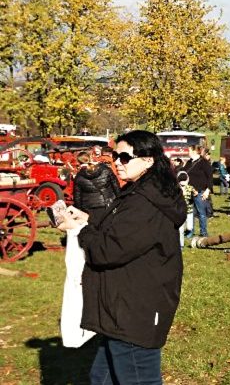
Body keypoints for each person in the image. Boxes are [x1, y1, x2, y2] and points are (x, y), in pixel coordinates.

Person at [55, 130, 185, 384]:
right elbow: (120, 224)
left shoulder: (147, 201)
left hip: (136, 309)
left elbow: (107, 250)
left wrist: (79, 231)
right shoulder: (142, 189)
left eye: (125, 157)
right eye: (114, 155)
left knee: (137, 378)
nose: (116, 162)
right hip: (122, 305)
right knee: (101, 378)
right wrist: (89, 218)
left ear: (148, 160)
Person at [71, 151, 121, 227]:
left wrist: (80, 211)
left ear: (78, 161)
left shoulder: (79, 176)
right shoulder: (105, 169)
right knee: (108, 227)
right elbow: (116, 186)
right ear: (90, 157)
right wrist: (119, 201)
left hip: (89, 208)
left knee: (94, 229)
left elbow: (77, 197)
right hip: (108, 204)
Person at [184, 145, 213, 237]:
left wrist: (207, 190)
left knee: (201, 213)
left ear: (194, 151)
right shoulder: (189, 162)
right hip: (189, 191)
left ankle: (203, 232)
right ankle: (190, 232)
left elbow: (210, 177)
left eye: (189, 150)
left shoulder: (204, 162)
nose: (187, 152)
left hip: (200, 191)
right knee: (190, 213)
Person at [177, 171, 196, 246]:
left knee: (189, 227)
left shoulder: (190, 187)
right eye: (181, 181)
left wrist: (195, 193)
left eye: (184, 180)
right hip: (180, 211)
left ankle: (187, 231)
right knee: (180, 230)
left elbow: (195, 193)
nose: (183, 182)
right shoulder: (177, 188)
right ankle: (181, 245)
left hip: (189, 210)